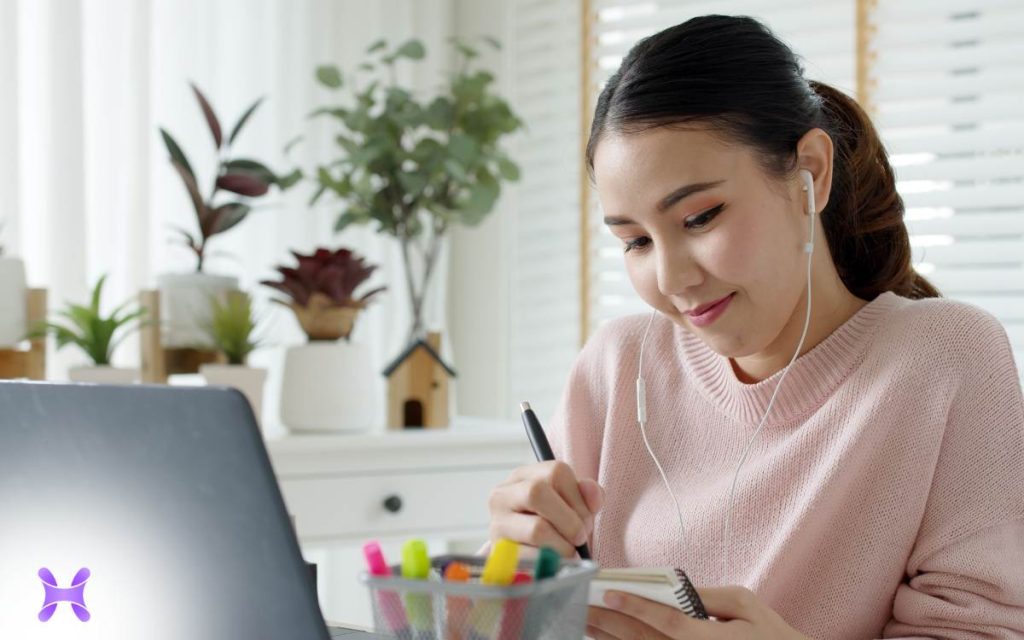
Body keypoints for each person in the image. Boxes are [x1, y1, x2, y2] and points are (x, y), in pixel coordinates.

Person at [487, 14, 1024, 640]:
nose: (672, 279)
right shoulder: (619, 363)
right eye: (634, 241)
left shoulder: (944, 358)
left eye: (700, 217)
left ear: (811, 174)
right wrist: (517, 568)